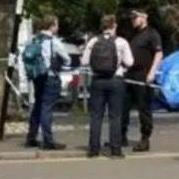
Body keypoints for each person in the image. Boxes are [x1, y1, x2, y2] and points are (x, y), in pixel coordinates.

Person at [81, 15, 134, 158]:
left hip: (97, 81)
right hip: (116, 80)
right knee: (115, 116)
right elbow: (129, 62)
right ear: (114, 26)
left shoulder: (93, 41)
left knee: (96, 116)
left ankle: (93, 149)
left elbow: (85, 61)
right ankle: (116, 150)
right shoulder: (121, 42)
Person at [25, 15, 72, 150]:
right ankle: (48, 140)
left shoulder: (34, 39)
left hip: (37, 77)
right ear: (52, 26)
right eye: (56, 24)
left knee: (38, 106)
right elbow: (67, 59)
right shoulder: (53, 41)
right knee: (47, 108)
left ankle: (31, 137)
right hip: (50, 77)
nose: (58, 27)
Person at [122, 9, 163, 152]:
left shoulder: (152, 34)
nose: (133, 20)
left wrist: (152, 72)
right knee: (123, 106)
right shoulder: (132, 34)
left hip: (143, 75)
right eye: (131, 18)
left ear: (144, 17)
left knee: (143, 108)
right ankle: (121, 137)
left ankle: (145, 139)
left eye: (135, 17)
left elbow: (158, 53)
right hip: (130, 74)